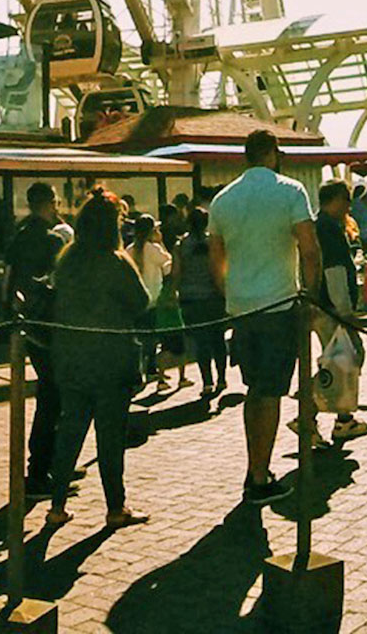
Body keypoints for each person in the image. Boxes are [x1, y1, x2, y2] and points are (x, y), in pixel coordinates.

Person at [206, 129, 320, 505]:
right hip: (279, 305)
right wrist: (311, 296)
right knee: (271, 393)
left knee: (254, 391)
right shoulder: (291, 192)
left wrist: (231, 293)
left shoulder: (223, 200)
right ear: (272, 153)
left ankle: (255, 465)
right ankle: (259, 475)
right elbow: (309, 249)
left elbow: (215, 260)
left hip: (241, 309)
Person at [40, 190, 152, 533]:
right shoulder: (115, 261)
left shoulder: (68, 260)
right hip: (110, 360)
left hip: (72, 357)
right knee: (109, 439)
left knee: (69, 433)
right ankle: (115, 507)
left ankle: (57, 506)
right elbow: (141, 301)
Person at [4, 181, 71, 494]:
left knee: (48, 396)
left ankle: (46, 464)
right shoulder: (52, 241)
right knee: (52, 399)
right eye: (55, 201)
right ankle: (41, 470)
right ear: (49, 203)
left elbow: (9, 279)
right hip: (50, 326)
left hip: (27, 325)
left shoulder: (20, 237)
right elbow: (63, 283)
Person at [303, 181, 367, 442]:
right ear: (334, 200)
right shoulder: (328, 229)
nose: (349, 205)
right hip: (331, 308)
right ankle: (307, 412)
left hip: (325, 306)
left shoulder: (321, 225)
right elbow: (334, 270)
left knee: (342, 360)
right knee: (343, 359)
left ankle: (343, 419)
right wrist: (344, 310)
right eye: (345, 199)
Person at [173, 203, 227, 401]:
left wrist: (174, 293)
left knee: (200, 342)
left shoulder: (180, 246)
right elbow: (220, 269)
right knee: (218, 340)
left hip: (190, 298)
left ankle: (207, 382)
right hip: (213, 296)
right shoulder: (214, 242)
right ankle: (222, 378)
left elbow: (177, 273)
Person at [125, 212, 174, 390]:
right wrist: (161, 242)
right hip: (153, 298)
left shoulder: (129, 249)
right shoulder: (153, 249)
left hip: (136, 299)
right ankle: (152, 368)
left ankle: (140, 370)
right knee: (153, 337)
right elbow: (169, 265)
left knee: (139, 337)